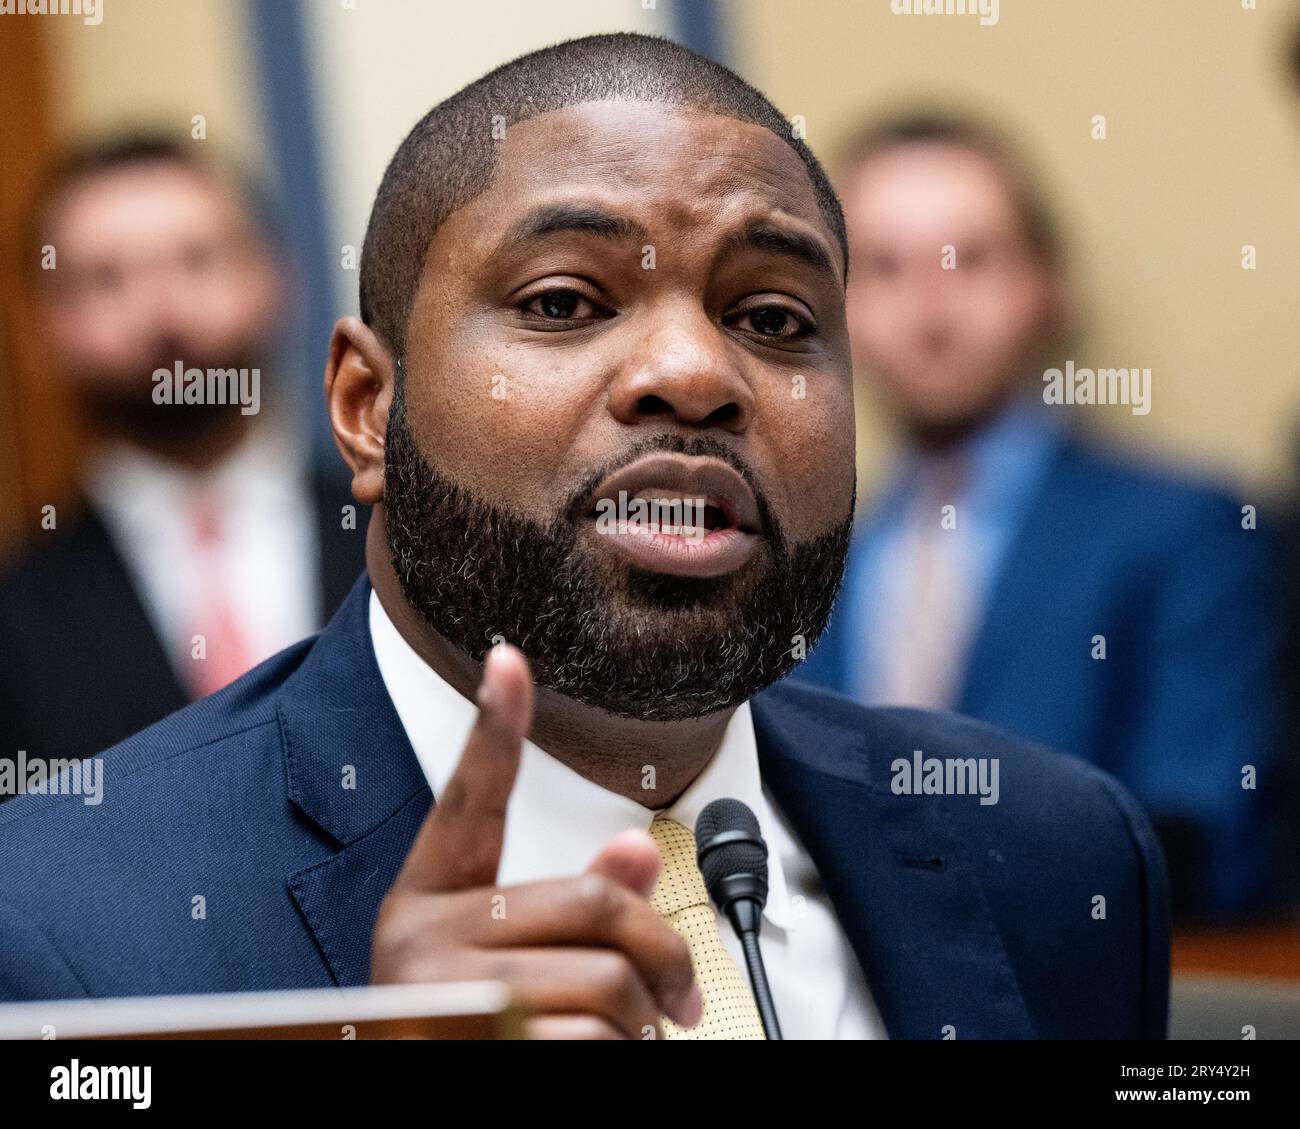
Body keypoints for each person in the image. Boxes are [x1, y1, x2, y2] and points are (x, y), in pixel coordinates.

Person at [0, 33, 1168, 1039]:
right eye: (563, 301)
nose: (693, 374)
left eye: (772, 317)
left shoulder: (1058, 856)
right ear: (367, 409)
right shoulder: (58, 920)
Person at [793, 114, 1279, 922]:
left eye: (972, 258)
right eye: (882, 266)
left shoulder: (1180, 529)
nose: (930, 308)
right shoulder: (805, 561)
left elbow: (1205, 834)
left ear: (1050, 284)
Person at [0, 135, 364, 770]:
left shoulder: (410, 543)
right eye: (105, 278)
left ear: (277, 279)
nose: (161, 311)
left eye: (196, 260)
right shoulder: (17, 618)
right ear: (42, 327)